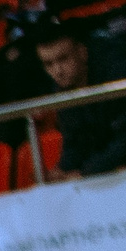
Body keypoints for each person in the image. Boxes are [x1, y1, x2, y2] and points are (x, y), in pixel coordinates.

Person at [34, 22, 126, 178]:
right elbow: (74, 142)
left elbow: (123, 141)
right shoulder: (62, 88)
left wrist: (86, 172)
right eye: (48, 64)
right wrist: (62, 169)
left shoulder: (117, 76)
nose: (58, 71)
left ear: (82, 52)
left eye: (63, 59)